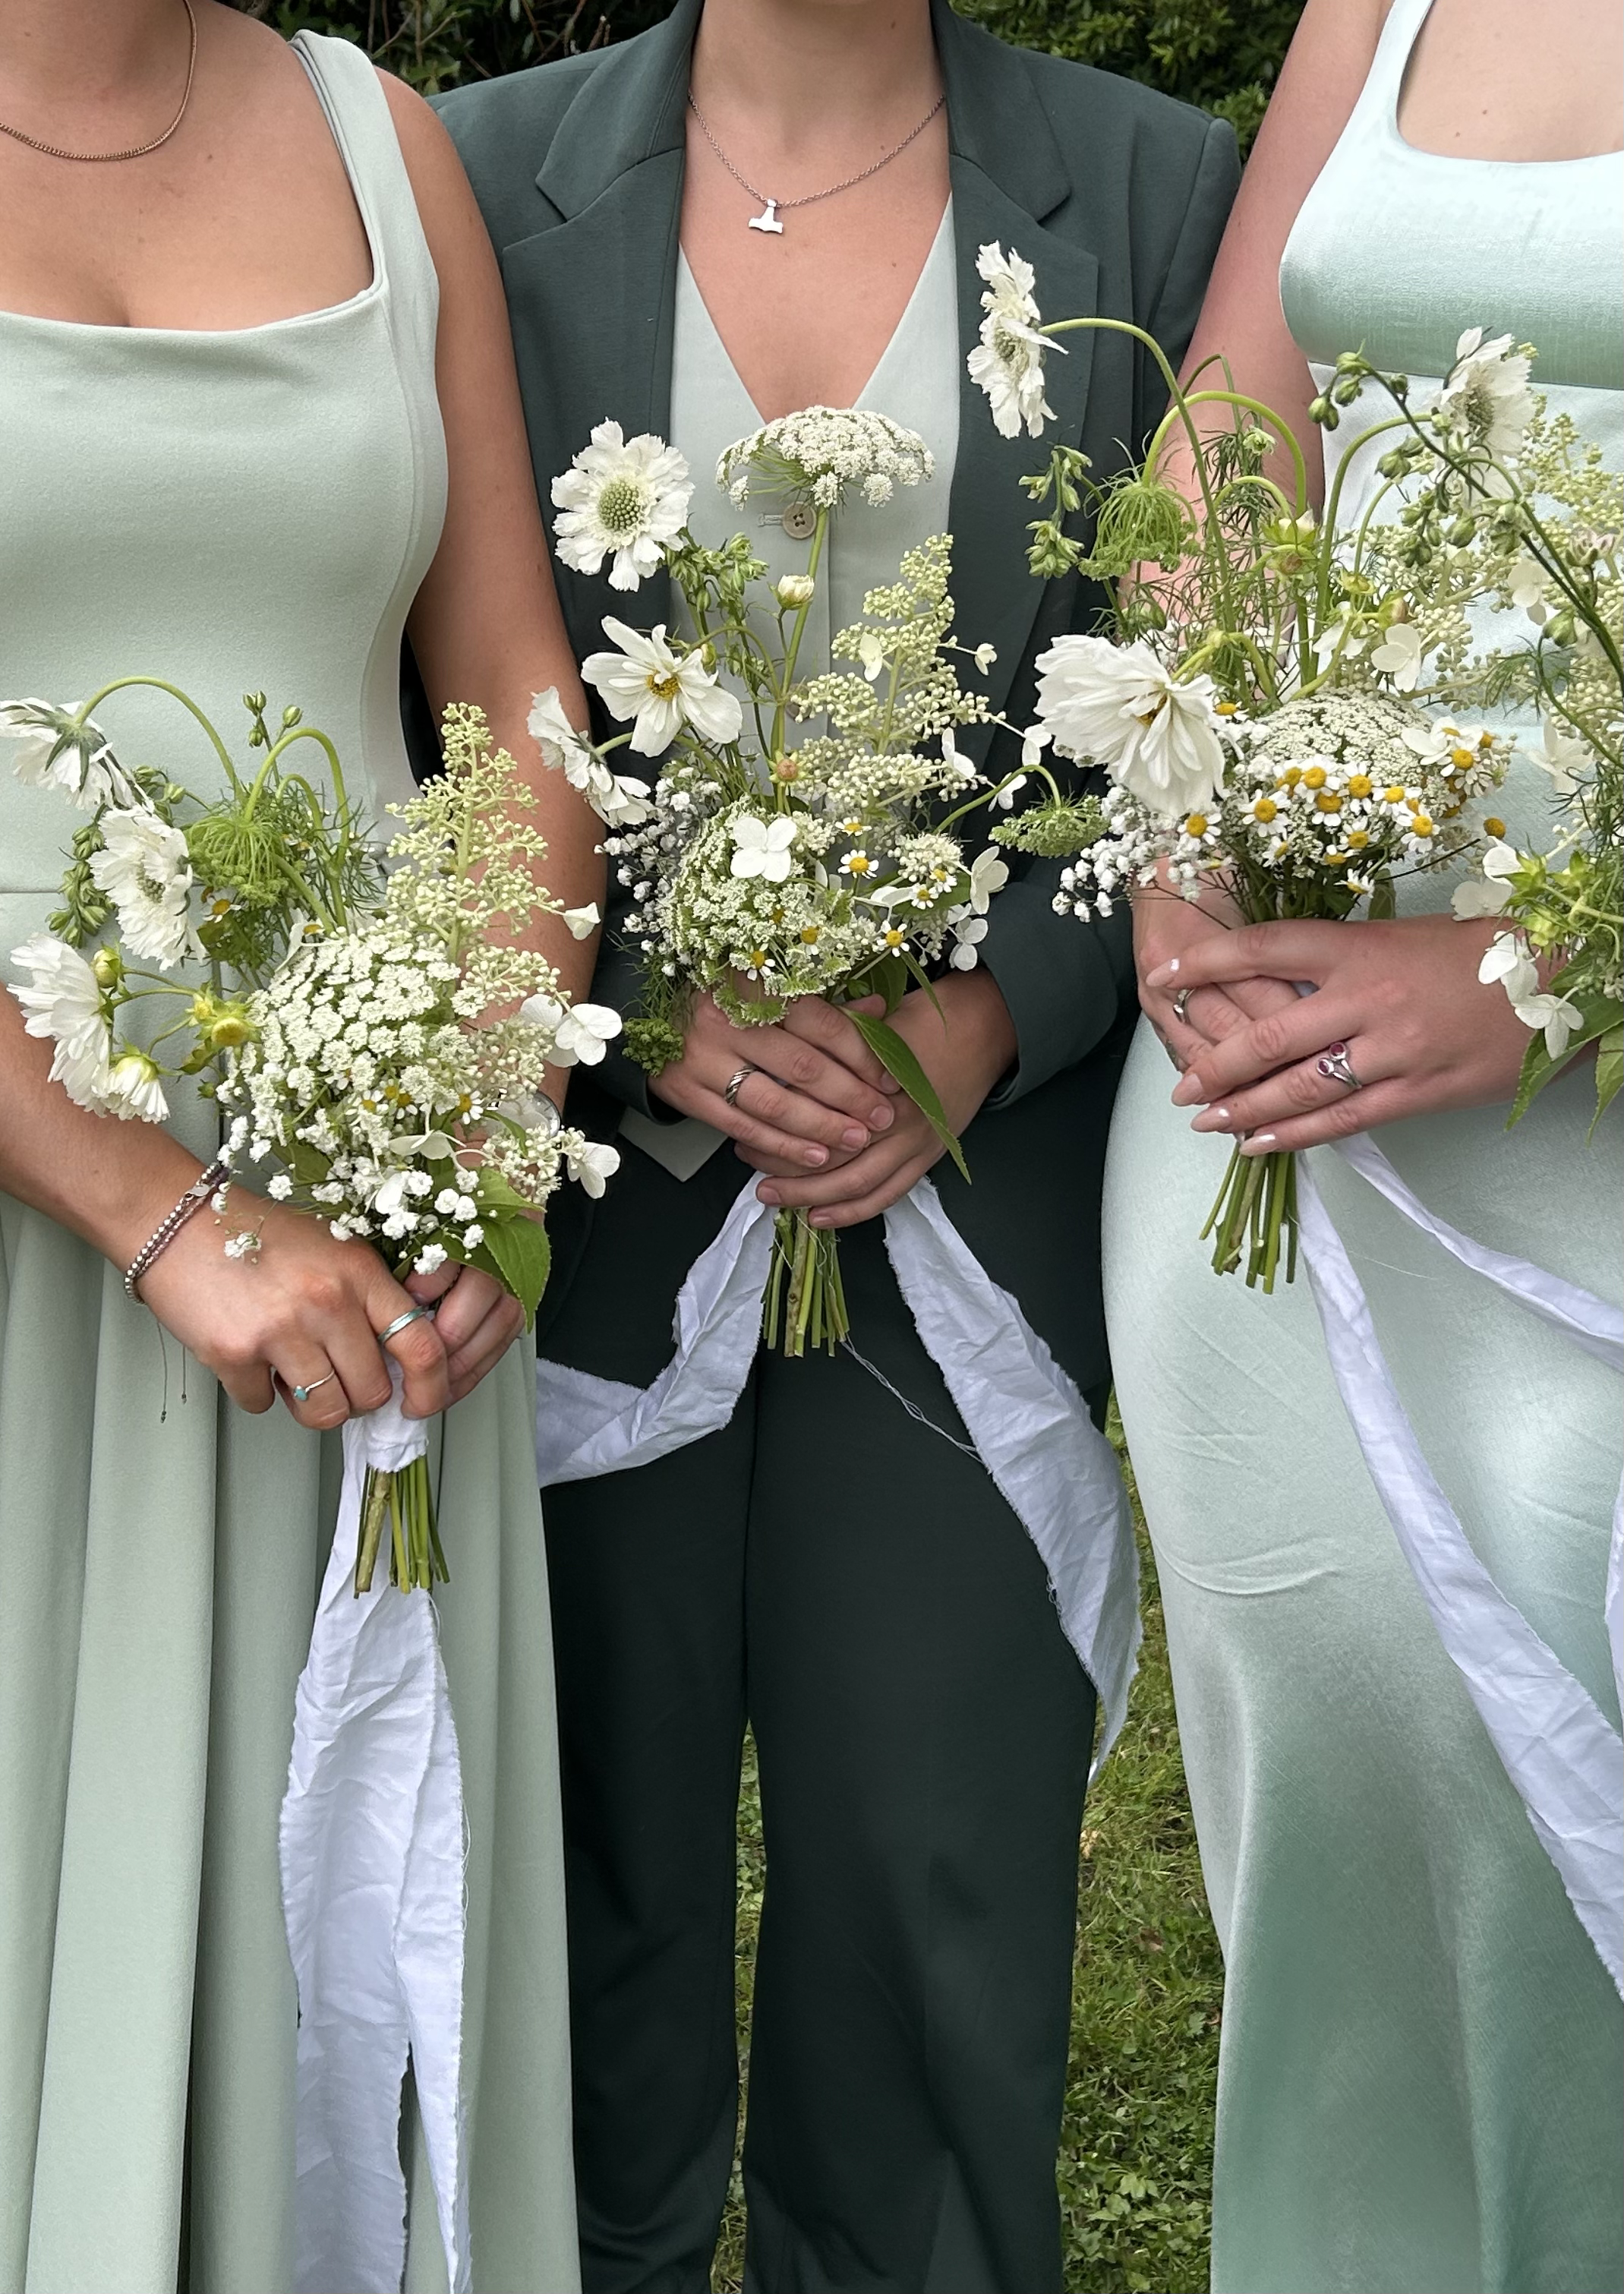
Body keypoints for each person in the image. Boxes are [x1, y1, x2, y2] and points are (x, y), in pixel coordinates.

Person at [434, 2, 1238, 2286]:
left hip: (970, 1211)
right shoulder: (474, 185)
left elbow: (1190, 691)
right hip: (586, 1204)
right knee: (567, 1892)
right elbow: (440, 674)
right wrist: (627, 1005)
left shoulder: (1161, 196)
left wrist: (987, 1019)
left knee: (932, 1884)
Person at [0, 2, 601, 2284]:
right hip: (56, 1198)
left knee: (312, 1912)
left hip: (371, 1198)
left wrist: (490, 1110)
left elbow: (517, 694)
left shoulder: (381, 137)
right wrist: (153, 1204)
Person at [1102, 0, 1624, 2287]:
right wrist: (1180, 814)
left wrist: (1536, 973)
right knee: (1330, 1800)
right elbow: (1232, 421)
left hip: (1581, 1123)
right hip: (1277, 1103)